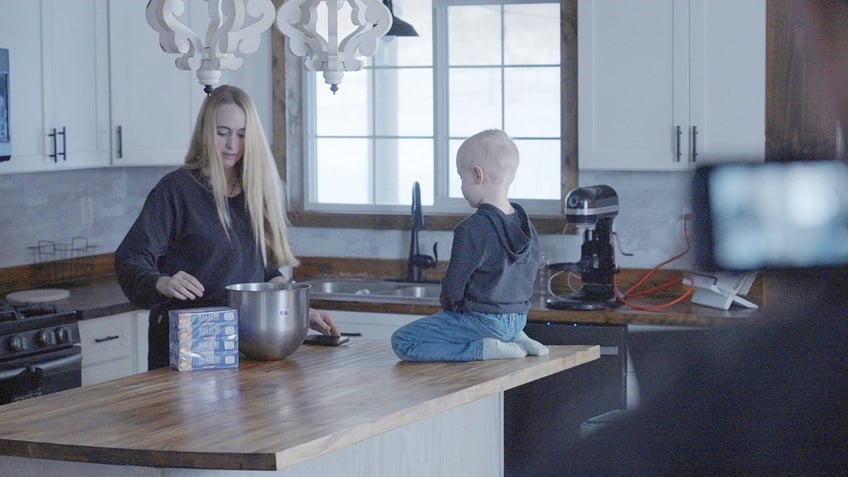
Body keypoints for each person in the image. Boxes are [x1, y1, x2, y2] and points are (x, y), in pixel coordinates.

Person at [115, 84, 338, 370]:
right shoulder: (175, 191)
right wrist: (163, 282)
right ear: (206, 132)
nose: (232, 145)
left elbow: (266, 272)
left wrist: (295, 310)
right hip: (184, 347)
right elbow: (130, 259)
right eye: (222, 133)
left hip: (243, 347)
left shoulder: (255, 193)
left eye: (242, 135)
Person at [391, 129, 549, 361]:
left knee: (403, 341)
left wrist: (448, 308)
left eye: (461, 177)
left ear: (478, 175)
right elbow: (526, 276)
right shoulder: (526, 225)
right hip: (518, 318)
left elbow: (455, 284)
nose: (460, 186)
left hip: (483, 322)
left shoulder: (471, 229)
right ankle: (516, 337)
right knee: (492, 326)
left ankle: (484, 349)